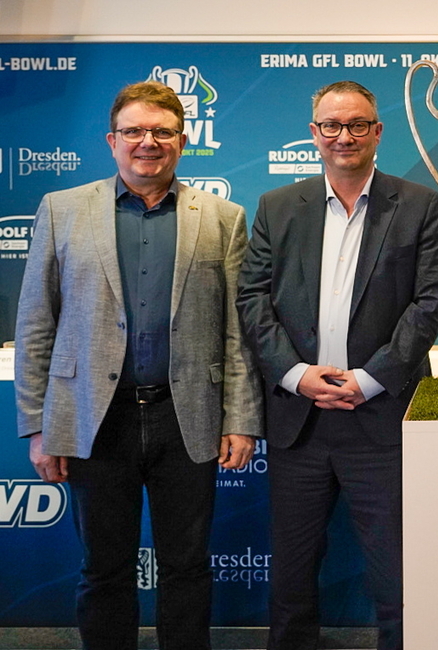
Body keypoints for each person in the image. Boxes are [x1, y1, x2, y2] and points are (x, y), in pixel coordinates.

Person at [14, 81, 263, 650]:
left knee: (187, 567)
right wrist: (38, 426)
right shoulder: (62, 210)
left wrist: (241, 418)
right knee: (103, 569)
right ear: (112, 140)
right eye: (134, 131)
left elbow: (237, 331)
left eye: (162, 131)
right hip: (94, 420)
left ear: (183, 139)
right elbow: (36, 326)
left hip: (187, 418)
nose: (147, 142)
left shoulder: (223, 217)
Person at [236, 80, 438, 650]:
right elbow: (251, 298)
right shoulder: (277, 208)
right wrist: (294, 374)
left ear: (378, 131)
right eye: (331, 125)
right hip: (298, 420)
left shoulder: (420, 205)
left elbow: (429, 304)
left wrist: (370, 379)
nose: (344, 136)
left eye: (357, 124)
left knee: (396, 573)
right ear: (314, 134)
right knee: (292, 576)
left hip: (380, 420)